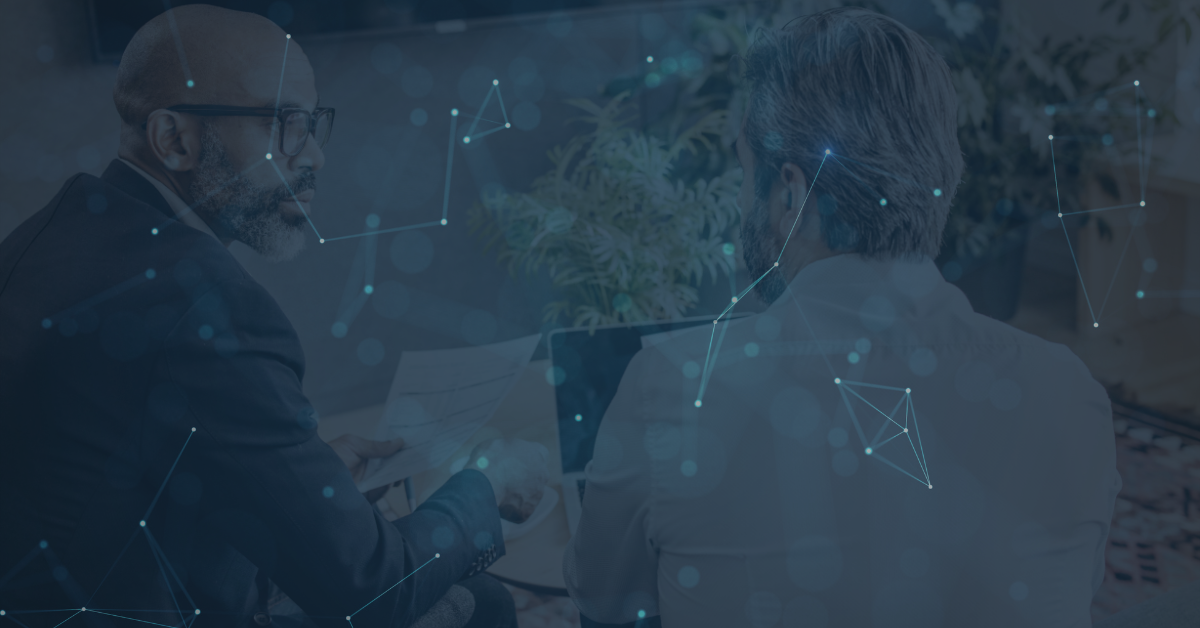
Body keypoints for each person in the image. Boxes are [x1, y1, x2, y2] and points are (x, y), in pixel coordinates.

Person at [563, 8, 1120, 628]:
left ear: (792, 196)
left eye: (746, 172)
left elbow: (604, 606)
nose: (741, 200)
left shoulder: (668, 389)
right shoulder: (1072, 395)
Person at [0, 5, 547, 628]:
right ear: (174, 139)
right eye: (283, 124)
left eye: (312, 124)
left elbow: (111, 466)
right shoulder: (206, 308)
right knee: (477, 604)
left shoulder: (48, 234)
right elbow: (373, 592)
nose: (313, 154)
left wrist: (298, 485)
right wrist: (487, 486)